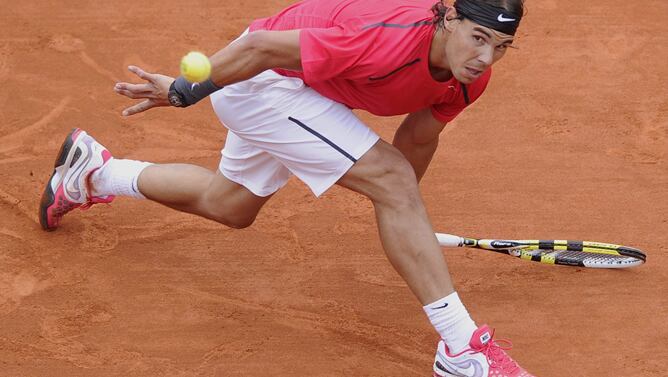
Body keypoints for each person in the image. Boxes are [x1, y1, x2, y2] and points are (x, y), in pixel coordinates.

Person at [39, 0, 534, 376]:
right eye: (478, 37)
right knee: (391, 181)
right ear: (449, 20)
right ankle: (461, 347)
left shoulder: (468, 78)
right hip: (261, 78)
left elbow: (418, 138)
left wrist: (406, 216)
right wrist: (183, 90)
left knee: (229, 204)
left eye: (501, 47)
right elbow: (257, 49)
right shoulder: (388, 40)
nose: (485, 57)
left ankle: (94, 173)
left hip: (306, 90)